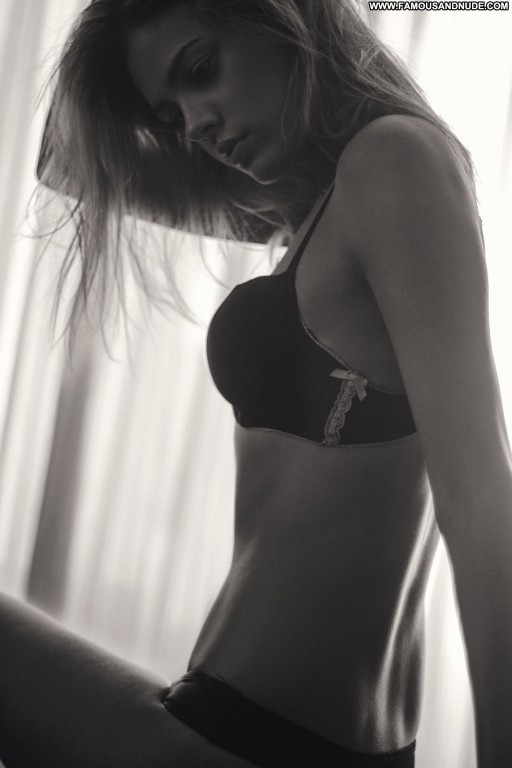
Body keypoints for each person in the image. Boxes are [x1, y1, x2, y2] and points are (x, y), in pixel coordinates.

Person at [1, 1, 511, 766]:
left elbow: (479, 495)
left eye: (201, 69)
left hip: (248, 733)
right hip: (294, 734)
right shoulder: (314, 208)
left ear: (285, 17)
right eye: (171, 116)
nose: (195, 126)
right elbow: (62, 160)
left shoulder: (392, 160)